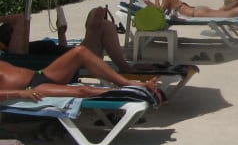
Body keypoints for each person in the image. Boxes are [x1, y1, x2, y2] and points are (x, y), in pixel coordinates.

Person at [0, 44, 158, 102]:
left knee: (80, 52)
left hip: (40, 74)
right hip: (31, 88)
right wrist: (20, 94)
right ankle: (131, 91)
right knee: (84, 90)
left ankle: (128, 83)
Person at [0, 7, 133, 70]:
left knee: (103, 24)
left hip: (74, 54)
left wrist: (61, 32)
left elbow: (59, 51)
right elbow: (22, 18)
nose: (19, 32)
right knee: (103, 25)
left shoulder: (23, 49)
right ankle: (125, 68)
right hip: (79, 59)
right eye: (11, 30)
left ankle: (93, 27)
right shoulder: (16, 54)